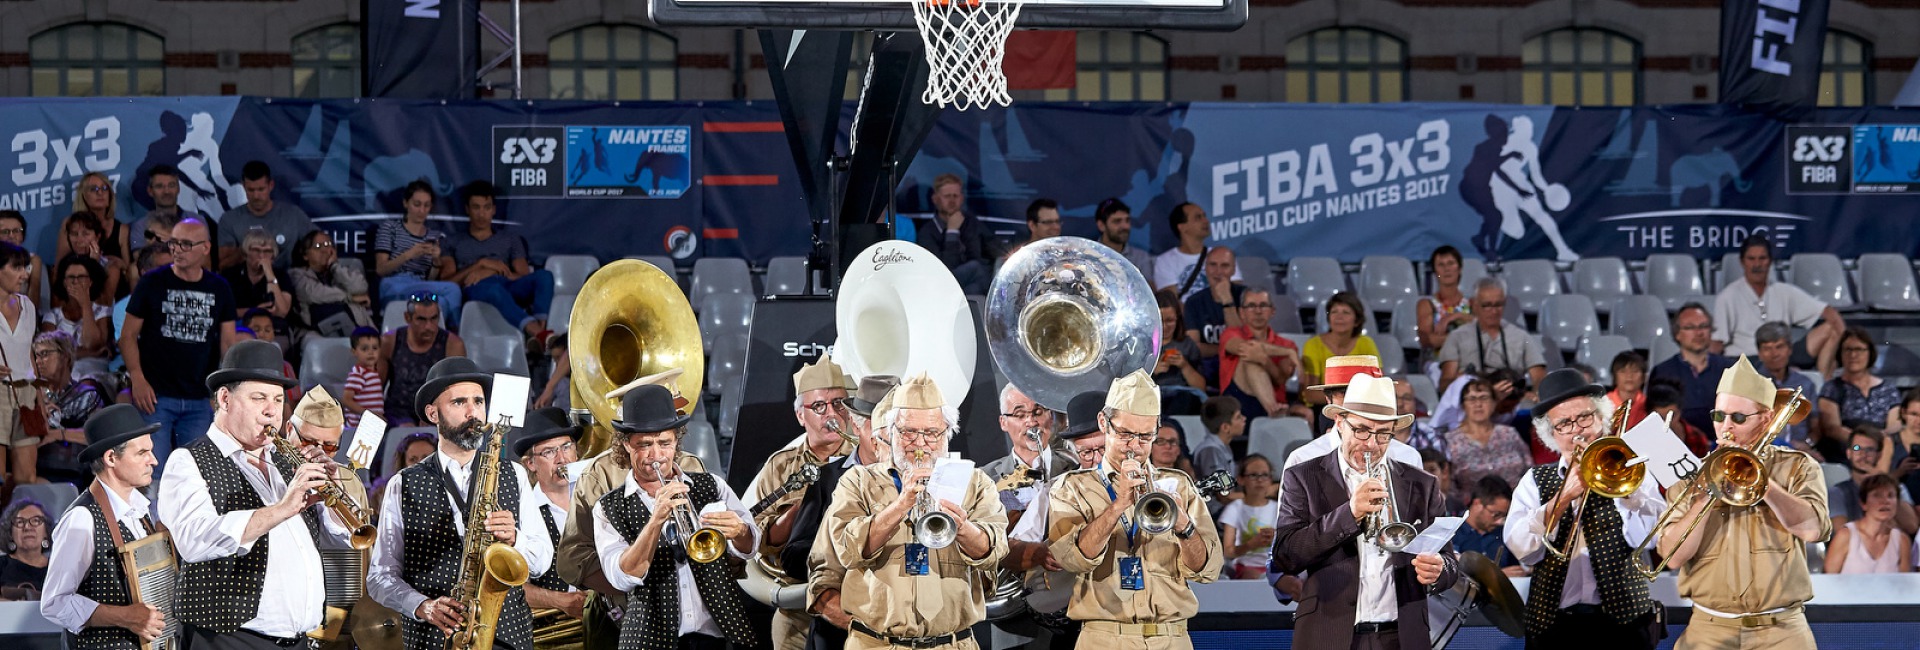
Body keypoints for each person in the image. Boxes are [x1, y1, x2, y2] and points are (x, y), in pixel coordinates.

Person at [154, 339, 349, 650]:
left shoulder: (286, 460)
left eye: (277, 398)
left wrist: (335, 497)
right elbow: (194, 541)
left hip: (299, 640)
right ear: (225, 399)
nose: (272, 410)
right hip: (229, 639)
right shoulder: (188, 460)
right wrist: (283, 508)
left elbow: (340, 539)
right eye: (259, 398)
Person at [367, 356, 553, 650]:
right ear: (433, 413)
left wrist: (515, 538)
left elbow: (542, 559)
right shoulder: (402, 484)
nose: (473, 412)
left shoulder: (513, 473)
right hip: (435, 638)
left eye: (478, 402)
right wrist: (422, 606)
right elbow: (380, 577)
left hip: (508, 636)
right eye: (459, 403)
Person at [1271, 373, 1457, 650]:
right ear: (1339, 423)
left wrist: (1440, 571)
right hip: (1329, 634)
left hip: (1402, 636)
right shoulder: (1304, 476)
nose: (1371, 444)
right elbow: (1285, 557)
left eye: (1383, 434)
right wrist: (1349, 513)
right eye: (1361, 430)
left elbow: (1449, 563)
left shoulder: (1422, 484)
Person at [822, 371, 1007, 650]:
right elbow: (847, 551)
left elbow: (995, 551)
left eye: (931, 433)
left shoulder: (975, 482)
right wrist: (900, 505)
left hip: (953, 644)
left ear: (947, 434)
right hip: (877, 644)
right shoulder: (857, 481)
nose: (920, 444)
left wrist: (964, 527)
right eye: (908, 432)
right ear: (890, 432)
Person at [1655, 356, 1829, 649]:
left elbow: (1813, 530)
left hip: (1782, 629)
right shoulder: (1690, 475)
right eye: (1719, 415)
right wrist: (1707, 494)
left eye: (1737, 417)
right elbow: (1672, 557)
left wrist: (1762, 482)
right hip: (1708, 630)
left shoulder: (1799, 466)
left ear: (1765, 419)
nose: (1725, 427)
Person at [1047, 370, 1221, 650]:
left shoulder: (1179, 484)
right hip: (1103, 638)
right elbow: (1071, 560)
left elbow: (1207, 570)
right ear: (1104, 423)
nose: (1135, 447)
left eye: (1145, 436)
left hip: (1172, 637)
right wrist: (1118, 505)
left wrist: (1184, 526)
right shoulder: (1072, 487)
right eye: (1126, 434)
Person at [591, 383, 761, 650]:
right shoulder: (607, 507)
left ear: (676, 441)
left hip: (722, 633)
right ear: (626, 445)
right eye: (644, 445)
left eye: (664, 443)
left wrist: (740, 531)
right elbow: (621, 577)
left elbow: (749, 548)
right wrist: (655, 520)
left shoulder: (712, 485)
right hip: (649, 639)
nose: (656, 455)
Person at [1505, 369, 1666, 649]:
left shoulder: (1634, 471)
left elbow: (1652, 539)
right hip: (1554, 627)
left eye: (1584, 417)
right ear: (1551, 435)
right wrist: (1562, 498)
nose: (1577, 429)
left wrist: (1625, 491)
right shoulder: (1534, 481)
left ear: (1601, 419)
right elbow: (1524, 551)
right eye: (1564, 424)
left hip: (1624, 626)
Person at [555, 370, 707, 650]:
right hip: (621, 619)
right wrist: (633, 588)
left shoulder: (692, 466)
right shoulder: (599, 473)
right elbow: (571, 558)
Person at [746, 359, 854, 650]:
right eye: (818, 407)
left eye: (839, 404)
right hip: (798, 604)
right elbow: (760, 540)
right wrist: (806, 507)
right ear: (800, 416)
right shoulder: (780, 467)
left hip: (854, 601)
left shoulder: (865, 455)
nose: (831, 414)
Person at [40, 404, 168, 647]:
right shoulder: (82, 518)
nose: (154, 460)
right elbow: (54, 602)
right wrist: (125, 616)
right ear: (111, 458)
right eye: (142, 453)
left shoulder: (140, 512)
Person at [121, 218, 236, 474]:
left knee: (196, 475)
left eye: (185, 244)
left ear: (205, 248)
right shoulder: (151, 282)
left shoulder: (220, 288)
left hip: (200, 397)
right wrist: (137, 378)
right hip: (155, 396)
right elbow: (127, 336)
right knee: (151, 473)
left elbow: (228, 344)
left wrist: (222, 391)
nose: (177, 250)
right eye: (174, 243)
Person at [799, 375, 899, 650]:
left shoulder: (917, 482)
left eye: (894, 426)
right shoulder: (827, 478)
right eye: (877, 424)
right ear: (856, 423)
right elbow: (796, 556)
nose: (886, 436)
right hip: (840, 629)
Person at [1712, 235, 1845, 379]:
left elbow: (1829, 312)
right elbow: (1717, 343)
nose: (1757, 264)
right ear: (1742, 262)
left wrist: (1843, 347)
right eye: (1751, 259)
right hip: (1747, 360)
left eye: (1762, 258)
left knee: (1831, 328)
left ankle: (1823, 388)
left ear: (1769, 262)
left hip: (1783, 354)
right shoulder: (1728, 296)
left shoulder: (1783, 291)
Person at [438, 181, 555, 341]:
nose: (481, 214)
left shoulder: (511, 239)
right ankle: (537, 334)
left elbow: (522, 276)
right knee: (493, 289)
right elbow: (448, 283)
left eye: (486, 207)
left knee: (544, 276)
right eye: (476, 207)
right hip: (476, 288)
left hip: (507, 284)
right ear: (467, 209)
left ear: (493, 210)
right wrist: (480, 265)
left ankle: (541, 332)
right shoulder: (452, 242)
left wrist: (491, 271)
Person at [512, 407, 589, 630]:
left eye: (566, 447)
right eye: (548, 452)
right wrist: (560, 601)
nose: (561, 459)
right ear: (531, 464)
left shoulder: (597, 498)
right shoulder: (522, 512)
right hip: (553, 630)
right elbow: (511, 585)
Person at [1436, 277, 1546, 393]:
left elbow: (1539, 376)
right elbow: (1445, 384)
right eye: (1487, 305)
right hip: (1474, 401)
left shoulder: (1521, 336)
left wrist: (1534, 394)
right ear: (1474, 305)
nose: (1494, 311)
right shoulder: (1457, 337)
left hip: (1513, 400)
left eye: (1498, 305)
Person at [373, 181, 462, 323]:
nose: (422, 210)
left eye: (426, 205)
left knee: (446, 300)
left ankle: (449, 335)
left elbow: (431, 279)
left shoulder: (435, 236)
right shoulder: (390, 228)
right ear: (406, 203)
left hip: (422, 287)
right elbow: (381, 269)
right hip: (395, 284)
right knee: (451, 289)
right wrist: (409, 254)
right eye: (417, 204)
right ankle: (455, 332)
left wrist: (436, 261)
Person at [1819, 326, 1902, 464]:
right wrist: (1864, 443)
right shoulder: (1831, 388)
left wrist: (1877, 443)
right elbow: (1832, 428)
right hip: (1846, 451)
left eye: (1859, 349)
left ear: (1870, 353)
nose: (1853, 355)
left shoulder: (1888, 389)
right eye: (1848, 350)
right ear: (1840, 354)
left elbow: (1895, 424)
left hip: (1882, 450)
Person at [1648, 302, 1734, 436]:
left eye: (1703, 326)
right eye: (1690, 327)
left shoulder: (1730, 369)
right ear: (1677, 334)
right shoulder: (1663, 372)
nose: (1699, 333)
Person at [379, 294, 465, 427]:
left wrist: (433, 415)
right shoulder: (390, 341)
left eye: (433, 319)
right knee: (404, 430)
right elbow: (377, 386)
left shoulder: (453, 345)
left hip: (436, 412)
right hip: (397, 412)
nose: (428, 327)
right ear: (408, 317)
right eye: (421, 320)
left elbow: (458, 392)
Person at [33, 331, 106, 485]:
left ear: (65, 357)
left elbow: (99, 435)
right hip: (37, 470)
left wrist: (58, 434)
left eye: (45, 354)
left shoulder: (87, 395)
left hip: (76, 475)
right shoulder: (33, 397)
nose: (39, 361)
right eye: (36, 356)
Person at [1219, 288, 1305, 419]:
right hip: (1236, 403)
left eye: (1263, 305)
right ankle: (1272, 409)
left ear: (1272, 311)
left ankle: (1272, 409)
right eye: (1251, 306)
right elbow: (1246, 348)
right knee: (1249, 357)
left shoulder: (1287, 344)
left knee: (1254, 357)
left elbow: (1281, 379)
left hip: (1277, 400)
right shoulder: (1231, 333)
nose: (1258, 311)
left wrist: (1265, 360)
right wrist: (1287, 352)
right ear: (1242, 312)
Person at [217, 161, 315, 271]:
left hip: (288, 279)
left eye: (261, 189)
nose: (256, 196)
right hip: (246, 282)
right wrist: (245, 250)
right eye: (251, 190)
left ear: (271, 185)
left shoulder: (293, 214)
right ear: (243, 186)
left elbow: (318, 243)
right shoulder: (229, 219)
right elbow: (223, 265)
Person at [1444, 379, 1532, 498]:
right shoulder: (1450, 440)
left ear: (1494, 403)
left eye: (1484, 398)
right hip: (1472, 509)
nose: (1478, 404)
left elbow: (1530, 469)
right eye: (1472, 399)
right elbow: (1449, 485)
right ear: (1463, 405)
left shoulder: (1509, 433)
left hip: (1517, 503)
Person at [915, 174, 999, 295]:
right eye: (947, 196)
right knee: (976, 267)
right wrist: (952, 232)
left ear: (962, 198)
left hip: (968, 288)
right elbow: (944, 270)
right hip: (941, 286)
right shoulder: (927, 232)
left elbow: (994, 246)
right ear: (935, 199)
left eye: (955, 196)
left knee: (976, 287)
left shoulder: (971, 222)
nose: (952, 201)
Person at [0, 241, 42, 485]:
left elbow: (28, 353)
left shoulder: (27, 306)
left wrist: (39, 397)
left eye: (25, 267)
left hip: (25, 394)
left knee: (27, 477)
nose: (24, 274)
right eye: (16, 267)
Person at [1828, 425, 1919, 537]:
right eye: (1856, 448)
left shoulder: (1897, 488)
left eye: (1869, 450)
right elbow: (1843, 533)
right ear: (1848, 453)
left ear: (1879, 455)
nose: (1862, 454)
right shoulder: (1837, 492)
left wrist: (1884, 482)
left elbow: (1912, 526)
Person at [289, 230, 372, 337]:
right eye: (318, 246)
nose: (324, 250)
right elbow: (315, 294)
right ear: (305, 255)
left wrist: (334, 267)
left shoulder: (344, 270)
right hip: (315, 331)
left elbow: (360, 288)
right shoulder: (296, 274)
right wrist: (349, 298)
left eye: (328, 245)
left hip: (357, 325)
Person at [1751, 322, 1819, 453]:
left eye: (1779, 347)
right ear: (1759, 353)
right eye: (1767, 348)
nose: (1774, 354)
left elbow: (1816, 427)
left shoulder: (1805, 383)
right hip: (1762, 450)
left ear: (1789, 349)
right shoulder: (1751, 384)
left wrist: (1807, 444)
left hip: (1801, 450)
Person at [1825, 473, 1912, 574]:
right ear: (1863, 504)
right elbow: (1828, 580)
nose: (1885, 501)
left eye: (1890, 495)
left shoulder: (1902, 540)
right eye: (1877, 495)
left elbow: (1904, 585)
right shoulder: (1846, 535)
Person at [42, 255, 114, 376]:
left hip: (94, 370)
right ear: (64, 282)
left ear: (90, 281)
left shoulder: (102, 312)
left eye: (81, 277)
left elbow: (93, 344)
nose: (76, 282)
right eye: (71, 277)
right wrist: (89, 353)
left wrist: (85, 304)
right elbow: (51, 352)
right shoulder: (52, 316)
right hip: (64, 370)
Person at [1153, 203, 1237, 301]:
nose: (1206, 221)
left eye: (1204, 216)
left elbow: (1237, 292)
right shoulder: (1165, 261)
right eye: (1198, 218)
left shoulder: (1222, 254)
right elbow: (1171, 302)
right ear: (1182, 227)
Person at [1181, 247, 1246, 371]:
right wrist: (1228, 348)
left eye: (1225, 266)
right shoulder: (1194, 302)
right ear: (1205, 268)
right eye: (1213, 265)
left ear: (1233, 270)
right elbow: (1194, 347)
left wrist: (1227, 300)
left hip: (1240, 365)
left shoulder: (1245, 296)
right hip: (1208, 367)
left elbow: (1242, 341)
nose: (1218, 272)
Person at [221, 230, 292, 340]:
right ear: (246, 253)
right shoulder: (230, 275)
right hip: (239, 327)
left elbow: (282, 311)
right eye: (256, 250)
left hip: (273, 329)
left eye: (267, 251)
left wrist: (269, 274)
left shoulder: (281, 276)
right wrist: (254, 311)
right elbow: (222, 311)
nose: (262, 255)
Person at [59, 173, 132, 278]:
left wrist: (120, 264)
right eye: (94, 189)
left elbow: (129, 271)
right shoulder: (69, 223)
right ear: (83, 195)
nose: (100, 193)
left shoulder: (122, 230)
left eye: (105, 188)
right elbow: (59, 268)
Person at [1302, 291, 1379, 389]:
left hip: (1358, 403)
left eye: (1346, 312)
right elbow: (1311, 394)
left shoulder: (1366, 343)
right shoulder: (1313, 344)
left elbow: (1377, 385)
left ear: (1357, 321)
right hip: (1322, 403)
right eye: (1334, 312)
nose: (1339, 317)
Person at [1218, 454, 1277, 579]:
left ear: (1271, 479)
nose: (1260, 480)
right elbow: (1228, 551)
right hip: (1246, 566)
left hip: (1276, 566)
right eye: (1253, 475)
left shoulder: (1279, 508)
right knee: (1253, 576)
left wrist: (1277, 539)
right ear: (1241, 479)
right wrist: (1251, 545)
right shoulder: (1235, 508)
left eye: (1264, 475)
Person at [1451, 477, 1524, 575]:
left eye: (1504, 516)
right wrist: (1496, 576)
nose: (1499, 522)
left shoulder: (1504, 534)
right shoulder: (1452, 532)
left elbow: (1516, 569)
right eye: (1496, 514)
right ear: (1477, 504)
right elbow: (1452, 575)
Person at [1415, 246, 1474, 362]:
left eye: (1451, 263)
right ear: (1435, 272)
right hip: (1438, 363)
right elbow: (1428, 340)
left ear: (1460, 268)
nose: (1447, 269)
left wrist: (1455, 316)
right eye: (1441, 265)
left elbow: (1484, 328)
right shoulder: (1426, 304)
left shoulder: (1472, 303)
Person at [1152, 291, 1207, 414]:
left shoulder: (1187, 345)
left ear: (1178, 319)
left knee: (1185, 399)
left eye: (1170, 321)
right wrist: (1152, 372)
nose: (1165, 326)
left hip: (1182, 396)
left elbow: (1201, 388)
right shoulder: (1142, 345)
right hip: (1151, 396)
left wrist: (1184, 366)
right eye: (1160, 321)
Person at [63, 217, 128, 306]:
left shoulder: (111, 268)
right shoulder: (63, 266)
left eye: (85, 234)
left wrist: (93, 265)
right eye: (74, 234)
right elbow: (59, 306)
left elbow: (104, 303)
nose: (79, 240)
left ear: (97, 237)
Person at [1645, 380, 1714, 458]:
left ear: (1680, 412)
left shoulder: (1697, 438)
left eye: (1672, 416)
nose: (1666, 423)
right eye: (1659, 418)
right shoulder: (1640, 440)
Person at [1091, 198, 1151, 279]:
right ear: (1101, 226)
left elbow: (1148, 290)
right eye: (1117, 221)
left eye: (1127, 220)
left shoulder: (1141, 258)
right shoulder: (1088, 255)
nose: (1125, 226)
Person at [0, 498, 50, 594]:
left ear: (46, 532)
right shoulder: (2, 566)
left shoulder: (58, 568)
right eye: (20, 522)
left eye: (36, 520)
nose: (27, 527)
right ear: (10, 533)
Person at [0, 212, 46, 311]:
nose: (11, 236)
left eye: (17, 231)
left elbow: (33, 305)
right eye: (5, 232)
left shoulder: (33, 261)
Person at [341, 327, 384, 428]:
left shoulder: (373, 372)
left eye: (375, 348)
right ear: (354, 351)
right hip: (358, 427)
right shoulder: (358, 373)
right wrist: (368, 414)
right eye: (364, 349)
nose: (371, 352)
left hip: (371, 425)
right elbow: (346, 400)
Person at [1193, 396, 1242, 481]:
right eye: (1238, 417)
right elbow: (1222, 489)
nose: (1244, 419)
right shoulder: (1211, 450)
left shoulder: (1223, 446)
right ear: (1225, 427)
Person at [1394, 377, 1445, 456]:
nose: (1400, 404)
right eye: (1395, 397)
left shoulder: (1431, 436)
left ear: (1415, 404)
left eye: (1406, 398)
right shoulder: (1373, 436)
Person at [1603, 351, 1649, 430]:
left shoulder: (1649, 405)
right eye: (1623, 371)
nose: (1629, 376)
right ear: (1614, 376)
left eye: (1635, 371)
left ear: (1644, 377)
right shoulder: (1604, 404)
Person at [534, 333, 570, 410]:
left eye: (559, 357)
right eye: (554, 360)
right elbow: (546, 401)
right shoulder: (558, 382)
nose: (557, 364)